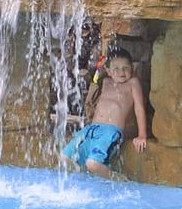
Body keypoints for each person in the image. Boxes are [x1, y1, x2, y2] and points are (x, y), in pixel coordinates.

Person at [61, 47, 147, 178]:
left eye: (125, 67)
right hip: (91, 129)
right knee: (64, 157)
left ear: (132, 68)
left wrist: (142, 135)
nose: (121, 72)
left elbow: (139, 108)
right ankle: (83, 178)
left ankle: (118, 179)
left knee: (93, 164)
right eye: (116, 68)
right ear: (109, 71)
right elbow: (95, 79)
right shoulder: (106, 82)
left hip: (110, 132)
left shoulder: (132, 83)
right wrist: (100, 66)